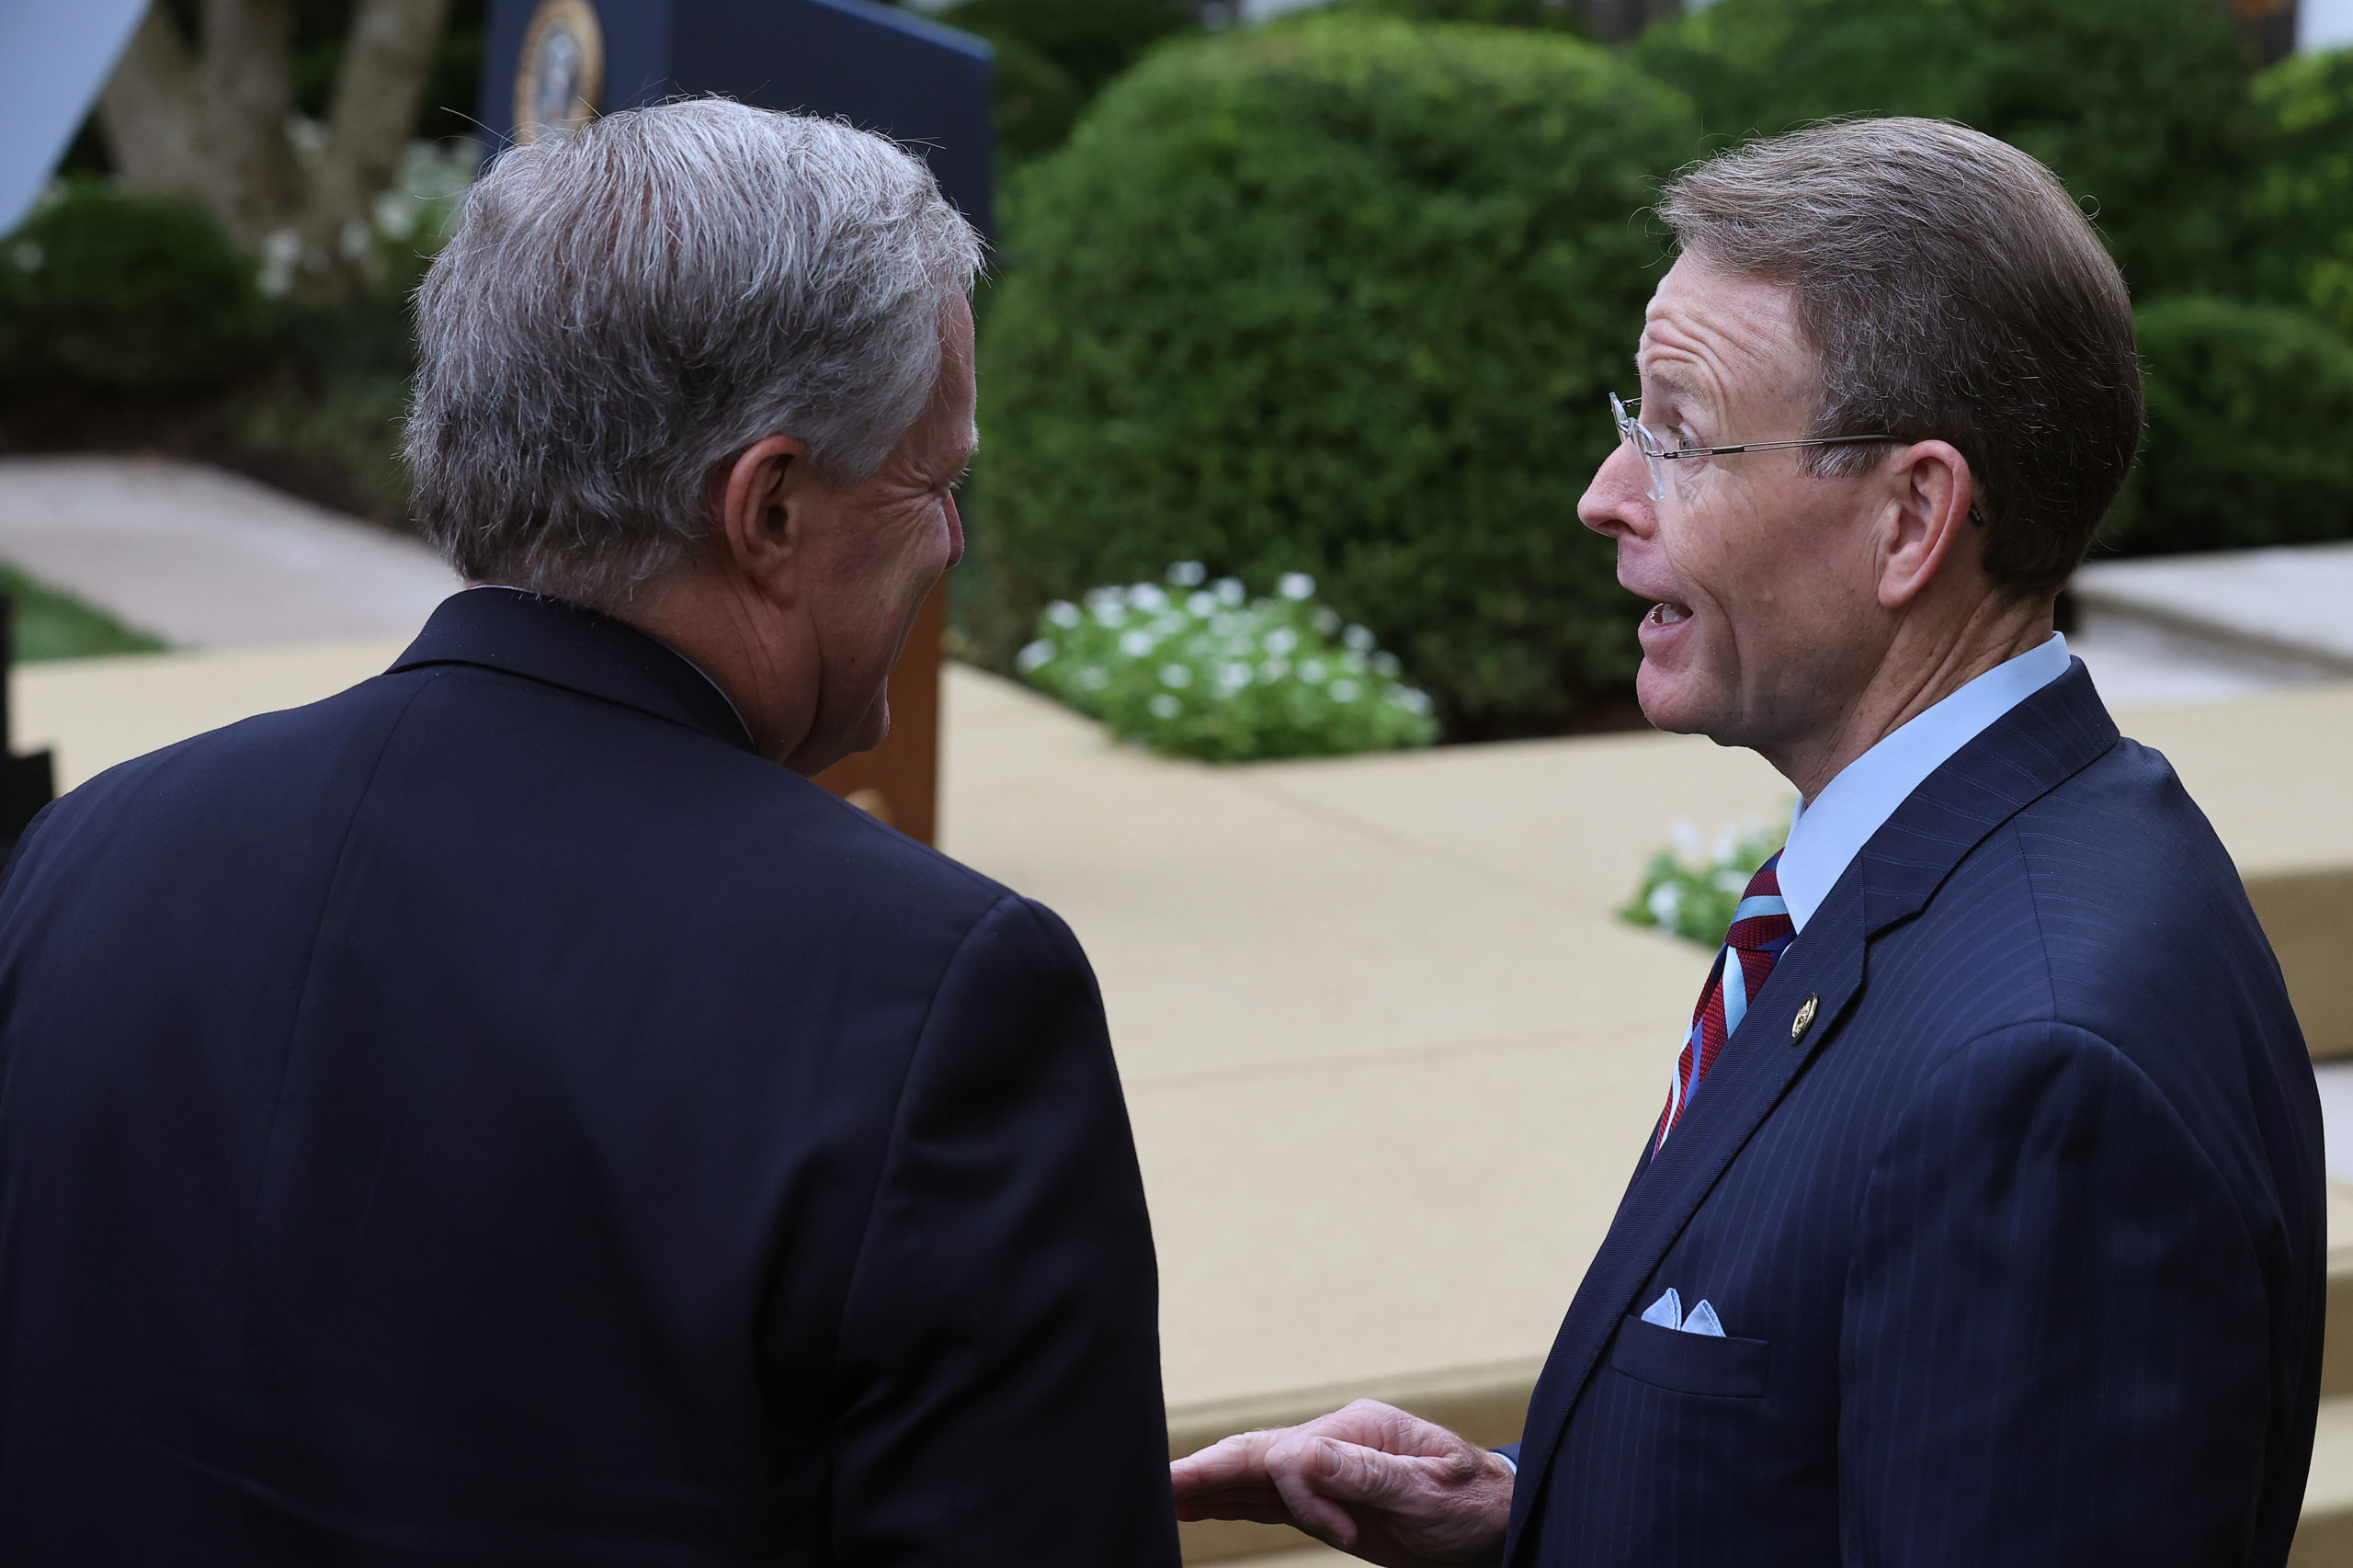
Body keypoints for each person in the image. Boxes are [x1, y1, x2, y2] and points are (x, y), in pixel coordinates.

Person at [0, 101, 1180, 1567]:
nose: (951, 542)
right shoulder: (931, 995)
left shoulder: (90, 854)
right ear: (768, 506)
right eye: (936, 484)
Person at [1171, 118, 2325, 1568]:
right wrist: (1532, 1511)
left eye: (1680, 434)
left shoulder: (2040, 1070)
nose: (1607, 492)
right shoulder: (1967, 857)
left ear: (1913, 516)